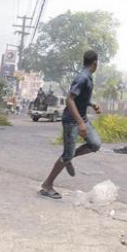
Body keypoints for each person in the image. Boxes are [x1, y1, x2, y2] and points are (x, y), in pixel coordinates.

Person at [39, 50, 102, 199]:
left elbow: (80, 98)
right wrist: (80, 122)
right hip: (71, 121)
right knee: (66, 154)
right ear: (95, 63)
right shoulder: (82, 78)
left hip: (82, 118)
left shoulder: (88, 77)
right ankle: (46, 185)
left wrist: (92, 104)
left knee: (95, 144)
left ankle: (69, 157)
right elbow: (70, 99)